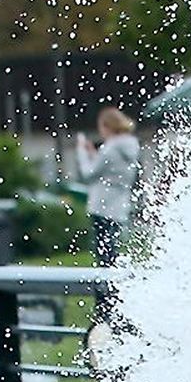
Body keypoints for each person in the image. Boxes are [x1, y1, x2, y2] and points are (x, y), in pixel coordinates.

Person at [73, 107, 141, 270]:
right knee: (113, 250)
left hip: (102, 205)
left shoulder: (110, 148)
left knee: (103, 253)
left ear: (107, 126)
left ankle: (104, 293)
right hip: (119, 205)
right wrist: (95, 154)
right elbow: (111, 170)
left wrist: (82, 153)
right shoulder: (131, 146)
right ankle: (116, 291)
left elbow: (88, 173)